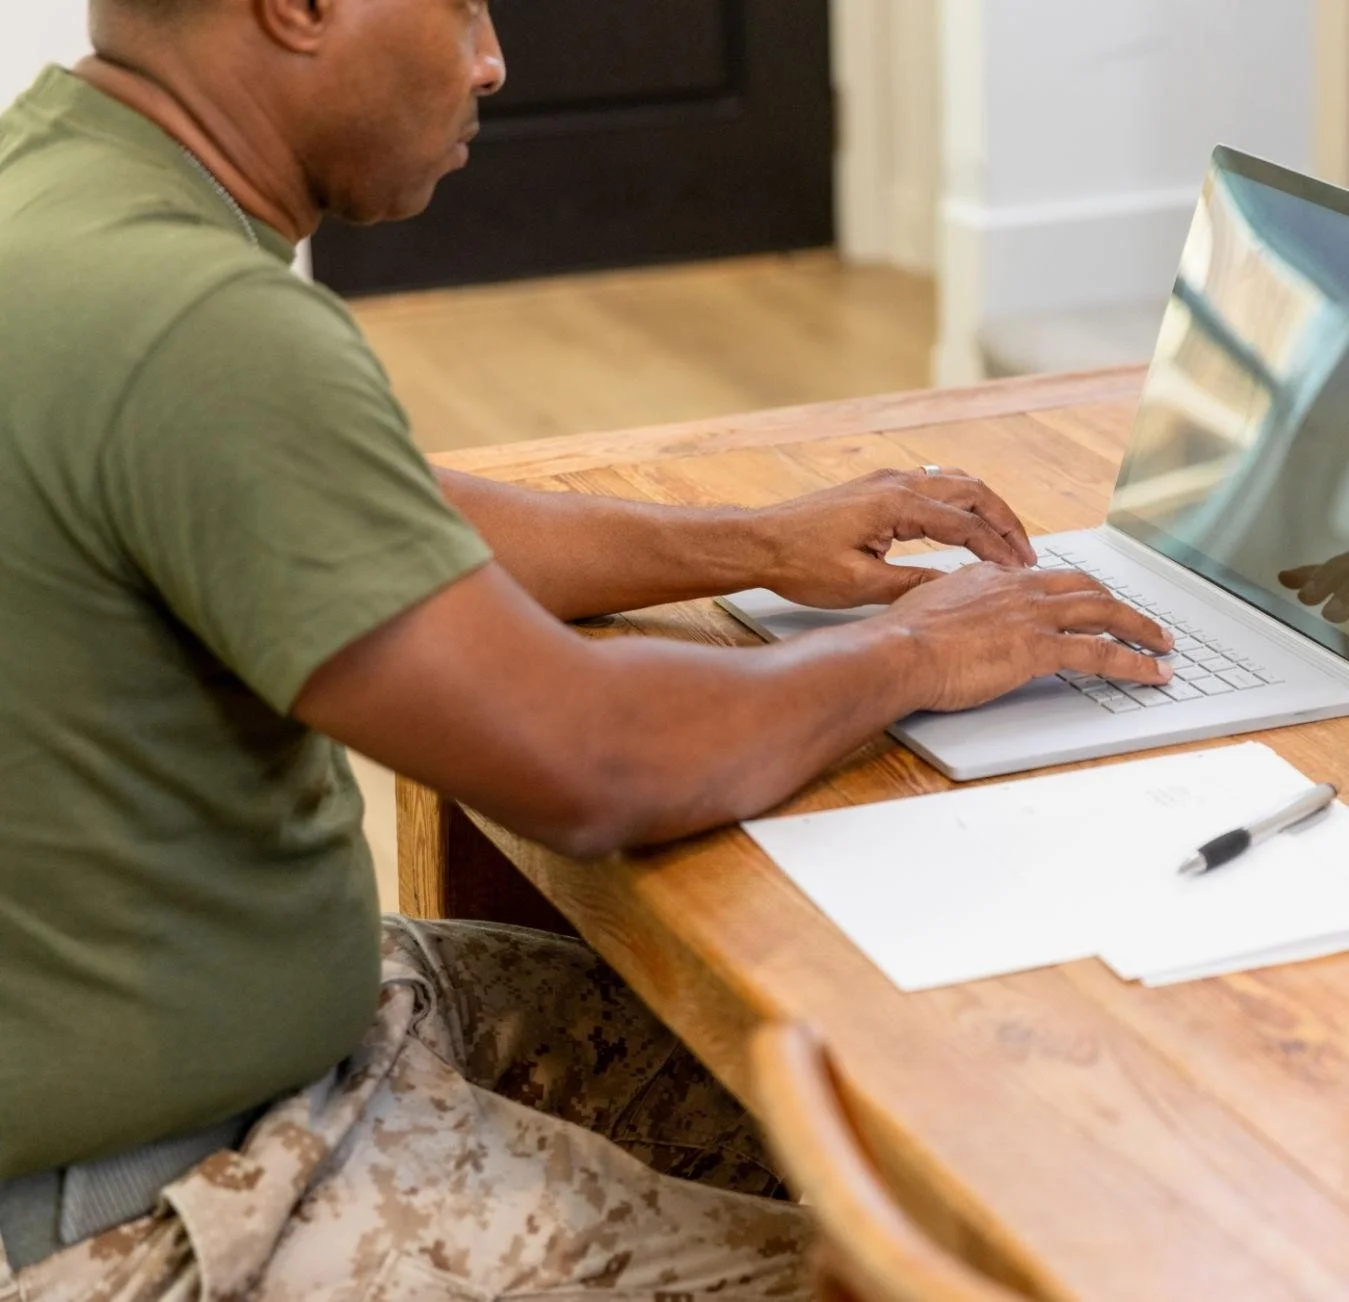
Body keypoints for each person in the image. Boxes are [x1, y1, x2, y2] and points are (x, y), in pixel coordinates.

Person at [0, 0, 1173, 1297]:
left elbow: (382, 509)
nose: (493, 57)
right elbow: (590, 759)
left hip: (257, 1060)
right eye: (460, 7)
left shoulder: (63, 197)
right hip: (154, 1210)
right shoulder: (195, 324)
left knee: (894, 1115)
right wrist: (917, 655)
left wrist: (754, 542)